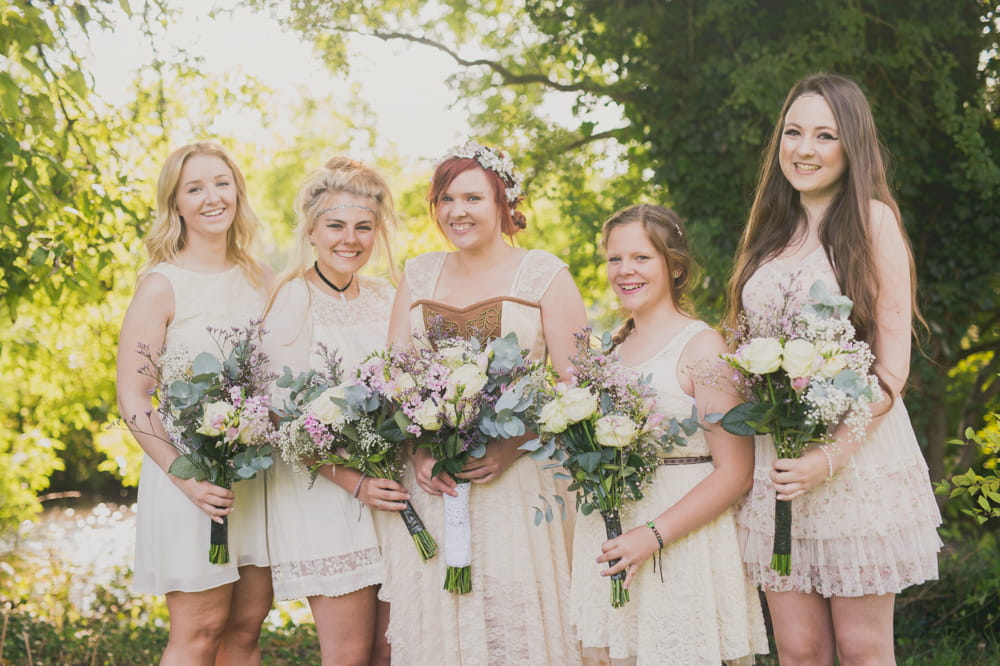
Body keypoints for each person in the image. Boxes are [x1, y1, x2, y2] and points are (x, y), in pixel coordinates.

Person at [727, 72, 942, 665]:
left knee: (861, 647)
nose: (804, 149)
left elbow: (891, 370)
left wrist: (830, 457)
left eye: (825, 135)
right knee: (798, 651)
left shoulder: (873, 222)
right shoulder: (768, 234)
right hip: (782, 462)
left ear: (852, 146)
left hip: (854, 460)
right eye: (793, 132)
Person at [380, 141, 589, 665]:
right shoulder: (419, 273)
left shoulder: (544, 274)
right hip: (436, 485)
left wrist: (513, 446)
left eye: (472, 198)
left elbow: (577, 386)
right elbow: (395, 378)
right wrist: (420, 453)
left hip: (518, 482)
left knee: (516, 619)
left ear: (503, 203)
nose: (457, 212)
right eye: (446, 199)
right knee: (442, 620)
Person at [569, 204, 768, 665]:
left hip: (682, 543)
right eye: (615, 259)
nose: (625, 271)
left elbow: (736, 472)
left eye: (641, 257)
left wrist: (651, 536)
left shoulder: (702, 347)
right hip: (613, 536)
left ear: (674, 266)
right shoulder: (608, 352)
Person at [116, 141, 274, 665]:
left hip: (254, 478)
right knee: (200, 633)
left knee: (247, 629)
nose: (213, 197)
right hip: (189, 478)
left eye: (222, 183)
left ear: (238, 192)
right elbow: (134, 398)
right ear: (176, 204)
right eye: (195, 187)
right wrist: (188, 480)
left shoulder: (263, 279)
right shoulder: (162, 286)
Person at [261, 157, 406, 666]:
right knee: (349, 653)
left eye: (364, 227)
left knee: (393, 650)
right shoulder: (291, 299)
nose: (351, 239)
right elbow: (281, 421)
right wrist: (352, 479)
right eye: (337, 226)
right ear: (313, 231)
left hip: (393, 491)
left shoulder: (390, 297)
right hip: (327, 493)